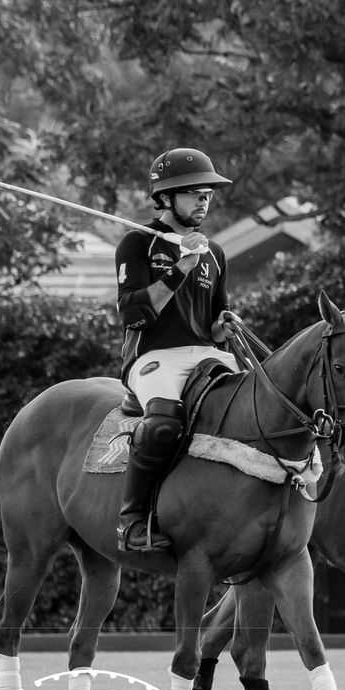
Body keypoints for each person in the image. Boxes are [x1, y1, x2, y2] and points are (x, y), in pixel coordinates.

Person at [113, 147, 243, 552]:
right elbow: (133, 314)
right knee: (164, 421)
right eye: (193, 194)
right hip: (154, 357)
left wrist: (222, 327)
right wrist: (180, 269)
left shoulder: (215, 253)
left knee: (255, 407)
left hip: (207, 354)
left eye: (207, 194)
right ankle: (132, 519)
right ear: (166, 198)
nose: (204, 201)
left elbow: (214, 321)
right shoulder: (137, 244)